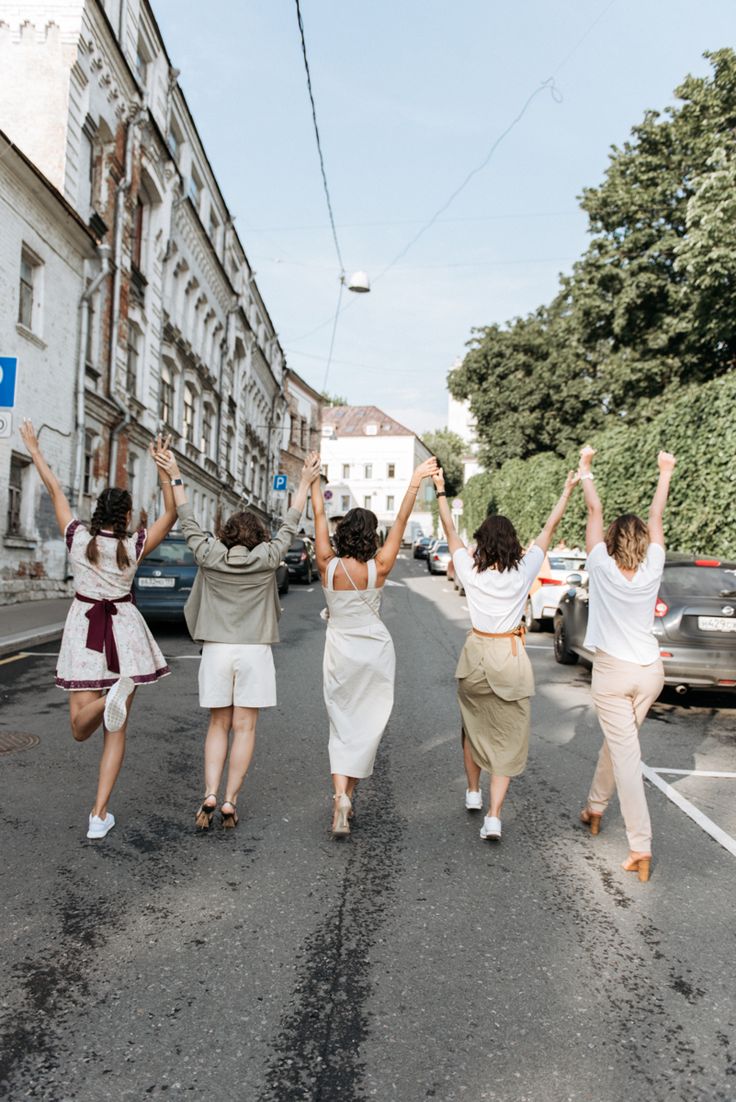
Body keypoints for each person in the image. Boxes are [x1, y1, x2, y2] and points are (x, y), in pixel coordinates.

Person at [19, 420, 176, 839]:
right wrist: (164, 469)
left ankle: (108, 697)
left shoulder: (76, 537)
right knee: (115, 731)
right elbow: (171, 513)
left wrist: (35, 450)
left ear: (97, 514)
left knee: (78, 728)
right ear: (126, 517)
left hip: (85, 630)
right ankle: (98, 814)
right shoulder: (133, 545)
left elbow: (54, 489)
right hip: (126, 635)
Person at [154, 448, 321, 830]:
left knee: (218, 725)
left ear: (227, 533)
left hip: (215, 650)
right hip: (254, 651)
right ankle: (230, 800)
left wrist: (177, 472)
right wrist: (306, 481)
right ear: (259, 536)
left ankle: (209, 792)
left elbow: (187, 516)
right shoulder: (268, 557)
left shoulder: (209, 553)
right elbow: (292, 523)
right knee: (245, 727)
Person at [435, 465, 579, 842]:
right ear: (514, 543)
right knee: (506, 737)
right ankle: (495, 817)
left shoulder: (470, 571)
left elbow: (450, 532)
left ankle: (471, 792)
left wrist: (439, 491)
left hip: (475, 656)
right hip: (510, 659)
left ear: (481, 542)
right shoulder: (523, 572)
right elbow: (548, 531)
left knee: (471, 727)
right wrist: (566, 490)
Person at [310, 457, 438, 836]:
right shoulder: (380, 565)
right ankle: (351, 794)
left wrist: (315, 481)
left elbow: (319, 515)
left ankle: (339, 797)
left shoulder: (326, 564)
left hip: (339, 650)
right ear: (372, 537)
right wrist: (414, 481)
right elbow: (401, 521)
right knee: (367, 725)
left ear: (344, 532)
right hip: (375, 650)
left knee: (341, 722)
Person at [578, 446, 676, 883]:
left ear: (611, 542)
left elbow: (595, 507)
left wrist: (585, 468)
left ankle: (641, 846)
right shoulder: (654, 566)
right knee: (619, 746)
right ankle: (595, 808)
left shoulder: (600, 563)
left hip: (614, 673)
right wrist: (664, 472)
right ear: (642, 543)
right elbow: (656, 517)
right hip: (650, 672)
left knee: (626, 756)